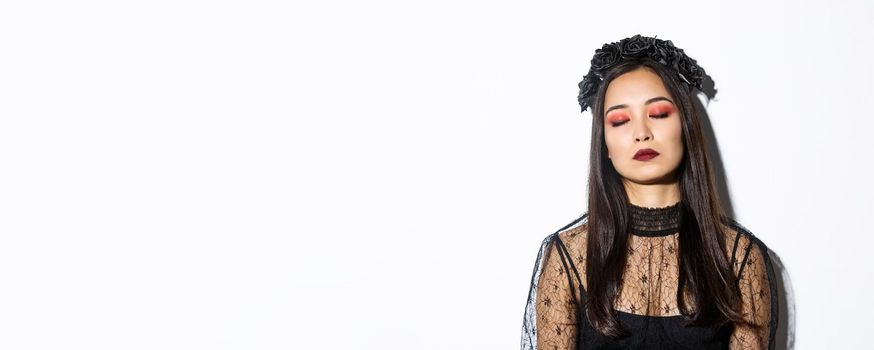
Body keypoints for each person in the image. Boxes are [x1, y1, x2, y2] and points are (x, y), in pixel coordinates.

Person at [520, 34, 778, 349]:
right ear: (605, 146)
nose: (642, 133)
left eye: (658, 114)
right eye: (620, 121)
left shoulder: (738, 257)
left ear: (685, 127)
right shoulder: (569, 256)